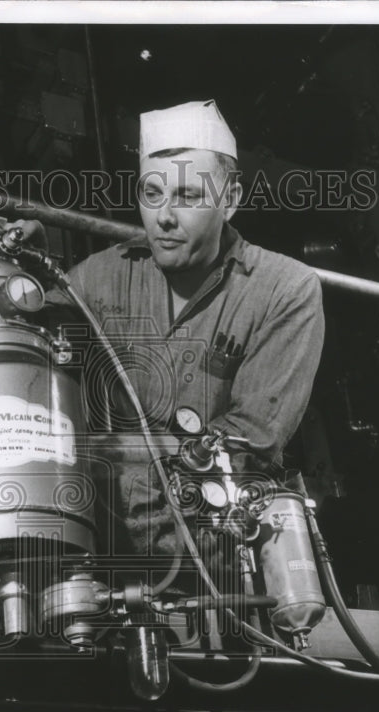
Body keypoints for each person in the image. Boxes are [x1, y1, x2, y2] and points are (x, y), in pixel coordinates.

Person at [33, 100, 326, 569]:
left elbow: (250, 440)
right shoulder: (98, 278)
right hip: (103, 560)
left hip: (215, 566)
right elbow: (26, 355)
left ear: (230, 200)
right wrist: (21, 277)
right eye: (152, 193)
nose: (164, 217)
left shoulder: (284, 289)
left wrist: (104, 452)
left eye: (187, 196)